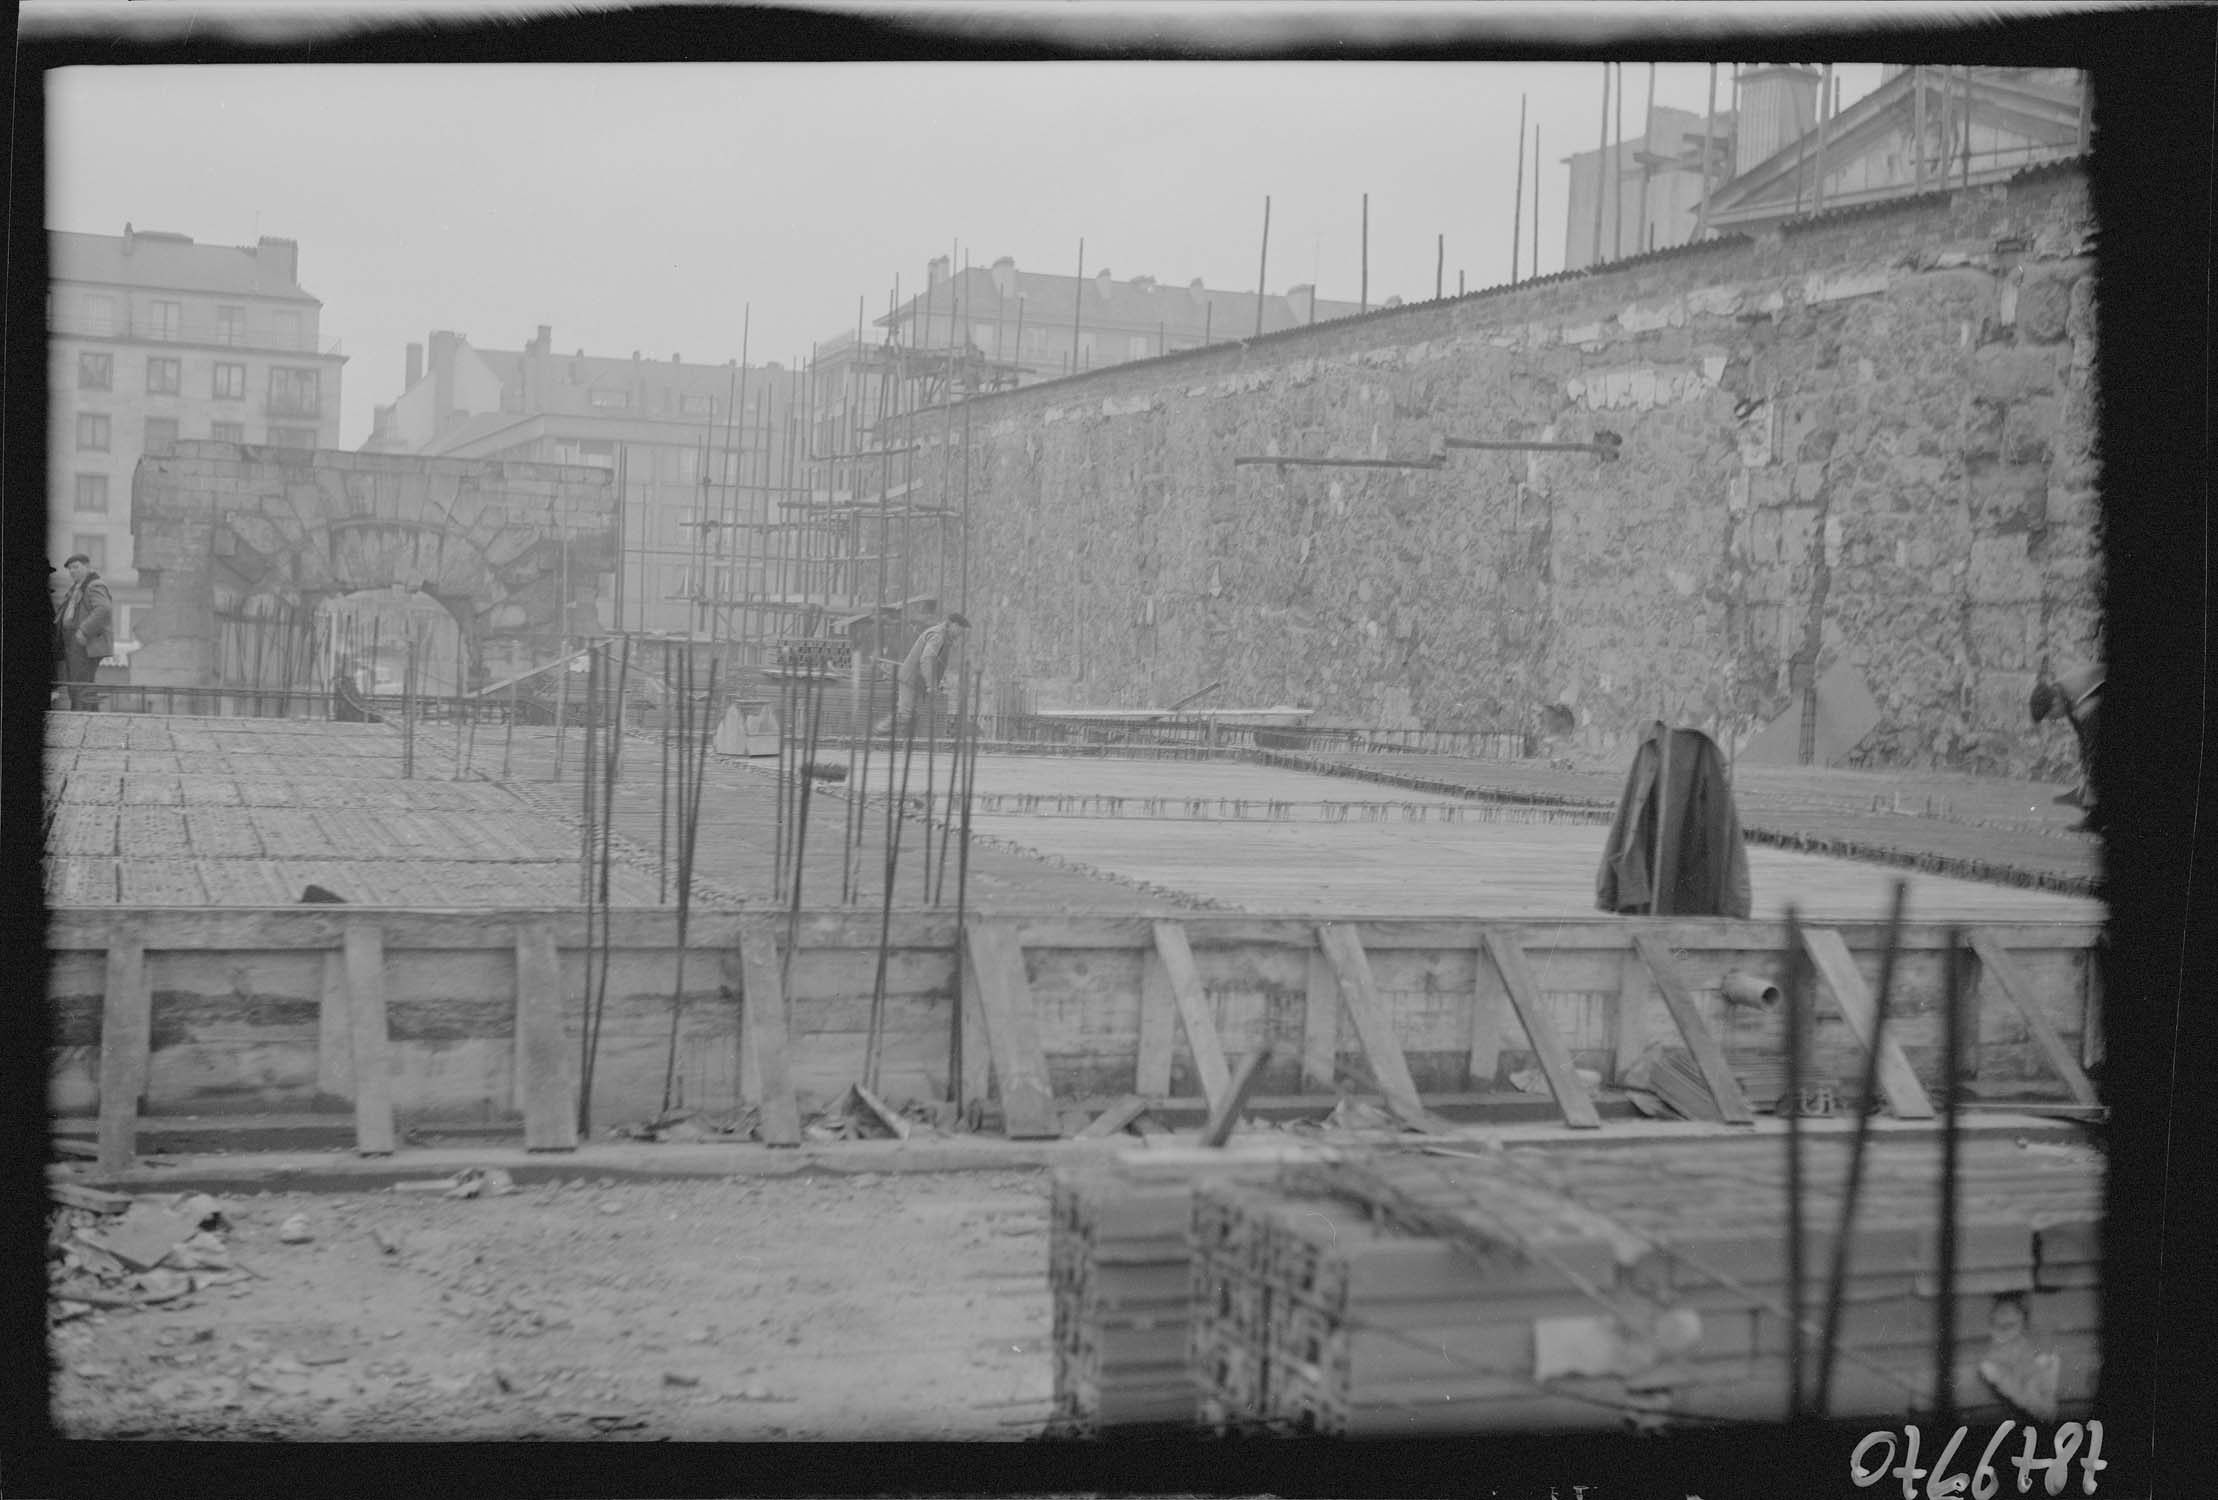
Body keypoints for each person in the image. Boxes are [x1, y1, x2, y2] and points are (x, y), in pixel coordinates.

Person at [2029, 662, 2101, 826]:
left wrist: (2089, 782)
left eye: (2051, 716)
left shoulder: (2085, 706)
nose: (2054, 720)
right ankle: (2096, 816)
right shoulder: (2063, 693)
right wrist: (2084, 774)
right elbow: (2084, 739)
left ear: (2055, 702)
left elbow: (2094, 745)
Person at [877, 611, 969, 739]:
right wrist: (931, 684)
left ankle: (905, 742)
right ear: (953, 624)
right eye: (960, 629)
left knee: (912, 714)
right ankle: (878, 733)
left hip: (917, 680)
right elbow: (927, 659)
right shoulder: (938, 636)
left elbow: (936, 661)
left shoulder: (944, 636)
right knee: (905, 713)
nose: (961, 633)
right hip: (911, 679)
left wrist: (936, 681)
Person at [54, 553, 113, 711]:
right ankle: (89, 716)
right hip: (72, 641)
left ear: (87, 567)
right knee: (79, 681)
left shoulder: (94, 585)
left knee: (80, 682)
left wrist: (84, 631)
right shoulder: (76, 588)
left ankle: (81, 716)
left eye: (76, 567)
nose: (72, 571)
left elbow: (103, 609)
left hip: (84, 642)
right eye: (70, 568)